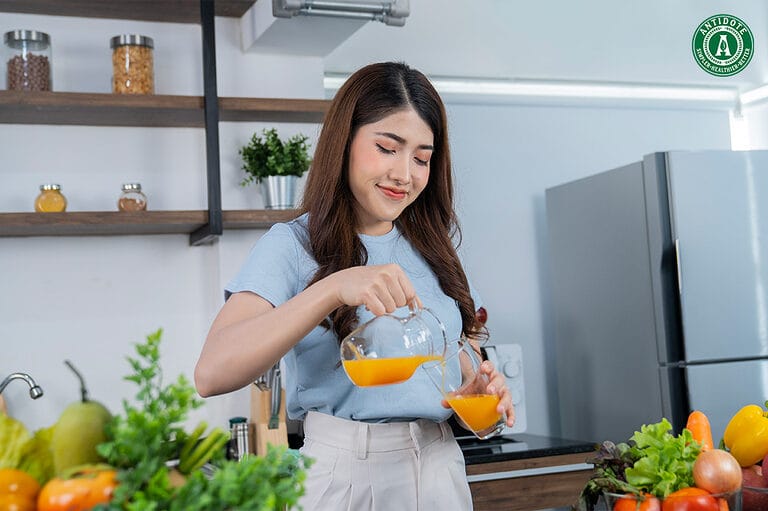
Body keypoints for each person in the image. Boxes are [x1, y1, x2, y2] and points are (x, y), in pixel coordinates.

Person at [194, 61, 515, 510]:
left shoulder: (435, 250)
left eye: (422, 158)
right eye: (388, 148)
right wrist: (334, 287)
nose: (405, 174)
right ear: (343, 142)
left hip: (441, 469)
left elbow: (463, 366)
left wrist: (481, 398)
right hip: (347, 474)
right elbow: (211, 373)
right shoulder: (291, 245)